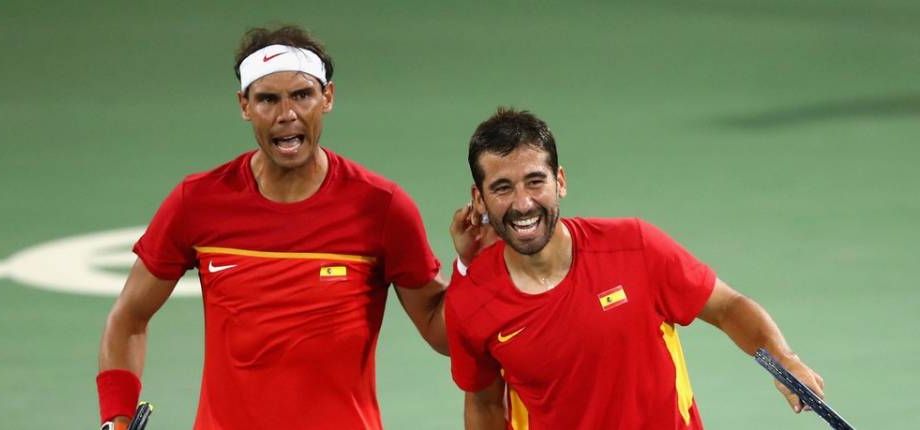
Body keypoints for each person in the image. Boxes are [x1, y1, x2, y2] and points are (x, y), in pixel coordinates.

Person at [96, 25, 449, 430]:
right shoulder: (197, 203)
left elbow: (442, 333)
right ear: (244, 105)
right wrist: (116, 420)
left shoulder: (381, 208)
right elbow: (128, 319)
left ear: (327, 98)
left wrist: (480, 268)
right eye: (268, 99)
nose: (287, 114)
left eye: (302, 95)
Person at [444, 107, 825, 429]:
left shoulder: (635, 247)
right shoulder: (471, 299)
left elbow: (727, 308)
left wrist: (784, 359)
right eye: (503, 188)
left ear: (560, 181)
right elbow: (484, 403)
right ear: (479, 198)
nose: (523, 203)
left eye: (535, 181)